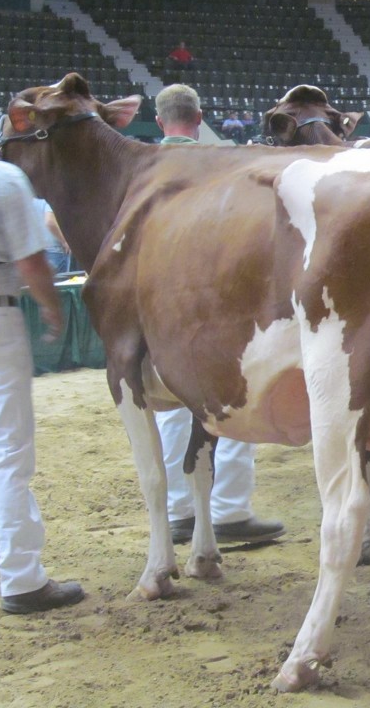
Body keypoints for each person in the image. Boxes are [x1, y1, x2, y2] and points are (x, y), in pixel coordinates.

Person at [0, 82, 85, 613]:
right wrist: (52, 308)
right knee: (7, 451)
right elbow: (32, 261)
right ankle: (22, 578)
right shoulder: (0, 177)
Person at [153, 84, 285, 546]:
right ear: (200, 117)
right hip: (217, 304)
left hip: (162, 309)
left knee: (172, 409)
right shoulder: (223, 163)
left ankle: (181, 511)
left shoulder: (144, 168)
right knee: (232, 404)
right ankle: (229, 509)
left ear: (159, 121)